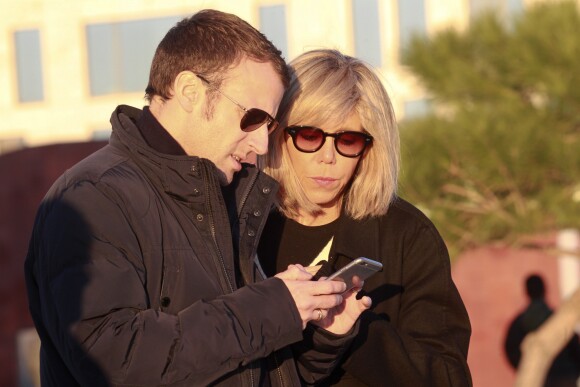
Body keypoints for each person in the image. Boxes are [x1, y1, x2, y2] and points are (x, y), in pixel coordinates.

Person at [24, 11, 371, 386]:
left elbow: (247, 368)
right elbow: (115, 362)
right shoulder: (92, 197)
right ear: (190, 91)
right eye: (252, 118)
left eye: (269, 126)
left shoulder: (228, 195)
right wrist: (271, 308)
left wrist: (323, 336)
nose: (260, 144)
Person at [258, 49, 473, 386]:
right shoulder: (242, 227)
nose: (328, 157)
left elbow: (448, 377)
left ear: (369, 147)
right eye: (310, 136)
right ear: (279, 135)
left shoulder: (406, 235)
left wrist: (358, 333)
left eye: (348, 140)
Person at [504, 274, 580, 386]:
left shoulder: (519, 323)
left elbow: (510, 348)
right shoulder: (557, 319)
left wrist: (525, 369)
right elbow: (575, 347)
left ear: (527, 291)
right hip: (563, 378)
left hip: (540, 378)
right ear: (545, 289)